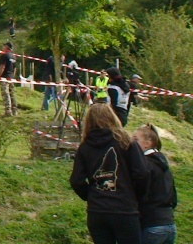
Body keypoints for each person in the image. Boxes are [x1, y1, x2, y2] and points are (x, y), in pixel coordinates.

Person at [70, 103, 149, 244]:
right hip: (124, 208)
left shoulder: (85, 146)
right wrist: (135, 196)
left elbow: (76, 180)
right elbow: (142, 173)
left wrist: (90, 196)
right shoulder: (126, 141)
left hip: (97, 210)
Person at [134, 124, 177, 243]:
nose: (132, 143)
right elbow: (174, 197)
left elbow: (140, 191)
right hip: (169, 224)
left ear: (148, 143)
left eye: (136, 139)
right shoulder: (165, 166)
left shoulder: (145, 165)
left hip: (151, 224)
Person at [0, 41, 18, 116]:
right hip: (11, 77)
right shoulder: (13, 56)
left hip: (4, 77)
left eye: (4, 46)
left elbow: (2, 66)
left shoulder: (4, 55)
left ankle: (8, 111)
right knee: (12, 93)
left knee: (5, 94)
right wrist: (13, 77)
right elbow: (15, 69)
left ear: (6, 47)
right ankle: (15, 110)